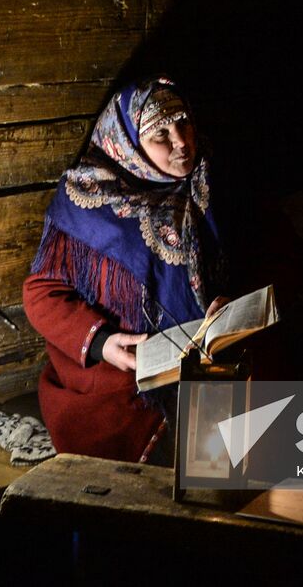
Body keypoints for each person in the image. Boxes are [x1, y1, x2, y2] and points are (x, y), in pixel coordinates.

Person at [23, 77, 225, 463]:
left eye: (183, 122)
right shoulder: (87, 198)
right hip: (127, 373)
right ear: (128, 142)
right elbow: (41, 294)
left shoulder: (208, 185)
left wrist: (230, 304)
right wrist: (102, 343)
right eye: (159, 134)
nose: (181, 141)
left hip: (205, 362)